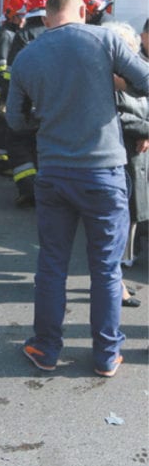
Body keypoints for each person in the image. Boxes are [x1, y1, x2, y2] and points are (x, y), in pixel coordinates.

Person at [6, 0, 149, 377]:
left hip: (54, 173)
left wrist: (47, 119)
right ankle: (106, 355)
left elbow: (15, 121)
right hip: (104, 173)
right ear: (83, 11)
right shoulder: (105, 40)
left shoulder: (27, 55)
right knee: (106, 269)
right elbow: (146, 81)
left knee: (52, 265)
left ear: (46, 17)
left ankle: (45, 348)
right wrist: (120, 86)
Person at [106, 21, 149, 311]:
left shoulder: (129, 77)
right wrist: (146, 130)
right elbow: (117, 117)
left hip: (135, 157)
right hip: (120, 158)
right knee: (118, 221)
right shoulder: (108, 80)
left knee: (129, 219)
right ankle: (115, 284)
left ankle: (117, 280)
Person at [6, 0, 49, 206]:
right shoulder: (57, 34)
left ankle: (28, 189)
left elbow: (12, 73)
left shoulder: (22, 36)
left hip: (27, 103)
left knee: (18, 142)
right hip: (52, 104)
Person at [0, 0, 26, 175]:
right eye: (21, 16)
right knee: (4, 128)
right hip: (1, 91)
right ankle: (2, 164)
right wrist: (12, 87)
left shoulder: (13, 34)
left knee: (5, 127)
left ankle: (5, 161)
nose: (24, 19)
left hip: (6, 90)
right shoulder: (4, 35)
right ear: (12, 16)